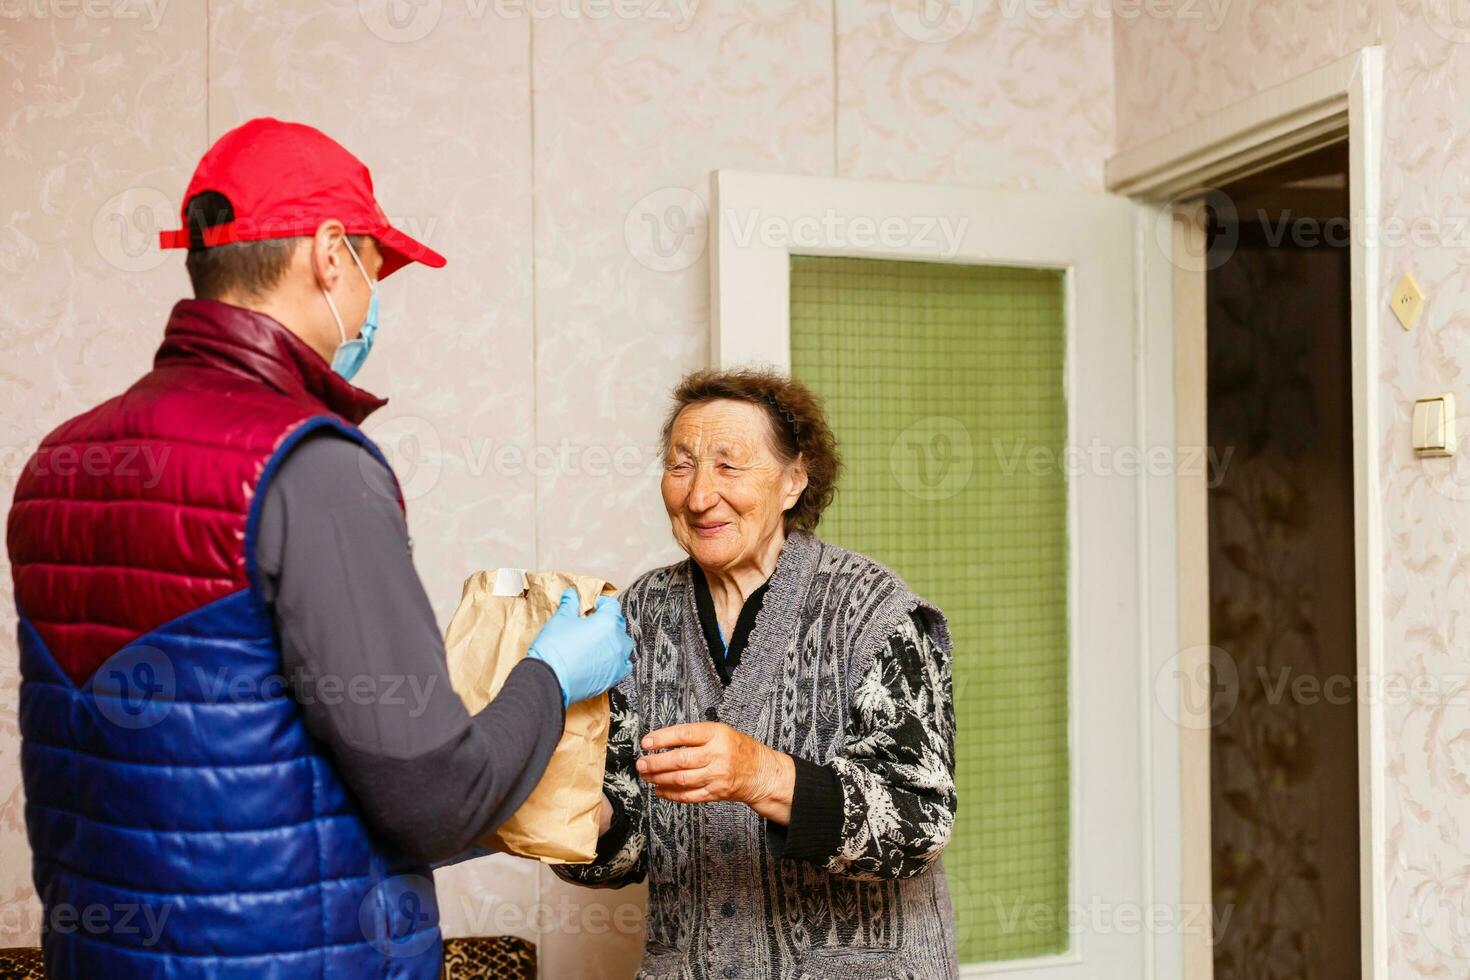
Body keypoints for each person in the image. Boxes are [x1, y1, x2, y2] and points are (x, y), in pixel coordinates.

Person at [5, 117, 633, 980]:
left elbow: (214, 758)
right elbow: (433, 803)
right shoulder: (312, 466)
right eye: (375, 273)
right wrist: (552, 676)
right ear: (330, 254)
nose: (371, 306)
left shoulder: (58, 460)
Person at [555, 369, 959, 979]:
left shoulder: (873, 611)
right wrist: (562, 802)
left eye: (730, 465)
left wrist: (760, 774)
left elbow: (919, 818)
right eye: (681, 465)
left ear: (794, 481)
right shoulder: (639, 612)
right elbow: (631, 832)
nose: (698, 496)